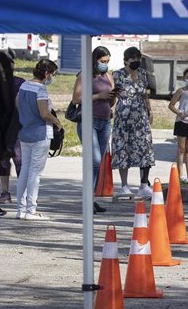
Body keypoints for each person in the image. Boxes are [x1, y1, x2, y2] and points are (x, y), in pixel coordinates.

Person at [15, 59, 62, 220]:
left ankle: (20, 209)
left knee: (25, 171)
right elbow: (44, 113)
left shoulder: (23, 86)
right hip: (40, 133)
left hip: (24, 132)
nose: (52, 78)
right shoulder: (40, 89)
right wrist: (57, 121)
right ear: (47, 73)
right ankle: (31, 210)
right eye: (53, 74)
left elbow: (17, 105)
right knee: (35, 173)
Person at [71, 46, 115, 213]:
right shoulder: (85, 75)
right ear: (95, 60)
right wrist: (98, 96)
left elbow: (111, 102)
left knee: (99, 162)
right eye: (102, 61)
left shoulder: (108, 76)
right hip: (89, 121)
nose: (105, 65)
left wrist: (113, 97)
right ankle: (87, 199)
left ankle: (92, 199)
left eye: (107, 62)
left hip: (105, 121)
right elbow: (76, 99)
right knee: (95, 160)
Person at [111, 46, 155, 199]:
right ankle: (124, 186)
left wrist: (150, 111)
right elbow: (113, 94)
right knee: (123, 148)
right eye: (133, 59)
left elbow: (145, 95)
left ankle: (144, 184)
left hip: (141, 117)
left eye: (138, 59)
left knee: (145, 147)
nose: (136, 62)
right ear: (126, 60)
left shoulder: (142, 73)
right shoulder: (117, 74)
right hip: (123, 118)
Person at [168, 67, 188, 182]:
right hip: (181, 122)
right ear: (183, 78)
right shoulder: (181, 91)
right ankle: (180, 175)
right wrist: (179, 112)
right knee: (181, 149)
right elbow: (171, 105)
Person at [0, 71, 24, 206]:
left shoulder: (20, 83)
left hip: (16, 126)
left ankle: (23, 193)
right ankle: (5, 192)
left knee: (19, 158)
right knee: (3, 160)